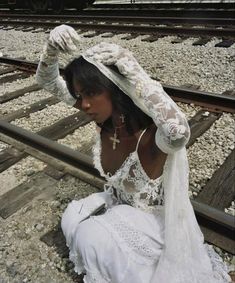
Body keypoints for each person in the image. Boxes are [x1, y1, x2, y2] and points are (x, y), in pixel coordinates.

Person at [36, 25, 231, 283]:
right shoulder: (106, 122)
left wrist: (132, 68)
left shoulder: (152, 138)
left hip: (153, 226)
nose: (83, 104)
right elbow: (47, 80)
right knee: (72, 219)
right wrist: (51, 49)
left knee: (89, 236)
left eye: (92, 93)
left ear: (116, 88)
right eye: (80, 94)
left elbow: (179, 130)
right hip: (119, 209)